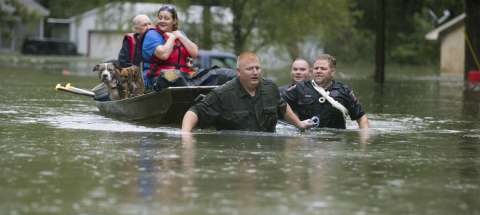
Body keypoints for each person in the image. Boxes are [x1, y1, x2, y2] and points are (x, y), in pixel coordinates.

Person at [181, 52, 313, 133]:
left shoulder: (270, 88)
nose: (255, 72)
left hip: (266, 148)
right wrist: (185, 135)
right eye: (250, 69)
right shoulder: (224, 93)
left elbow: (282, 107)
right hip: (236, 149)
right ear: (238, 72)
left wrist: (299, 124)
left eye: (257, 68)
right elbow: (195, 111)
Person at [282, 54, 370, 129]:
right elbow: (281, 104)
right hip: (307, 141)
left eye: (323, 69)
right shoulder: (300, 88)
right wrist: (298, 123)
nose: (318, 71)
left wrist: (364, 140)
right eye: (316, 68)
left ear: (332, 72)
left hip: (335, 142)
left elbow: (361, 117)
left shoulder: (344, 91)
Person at [141, 5, 199, 90]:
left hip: (184, 75)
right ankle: (190, 93)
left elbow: (195, 53)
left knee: (217, 73)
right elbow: (163, 55)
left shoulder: (180, 34)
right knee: (175, 75)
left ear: (174, 21)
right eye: (160, 18)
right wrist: (172, 38)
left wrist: (181, 37)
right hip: (158, 78)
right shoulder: (151, 35)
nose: (162, 21)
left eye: (166, 18)